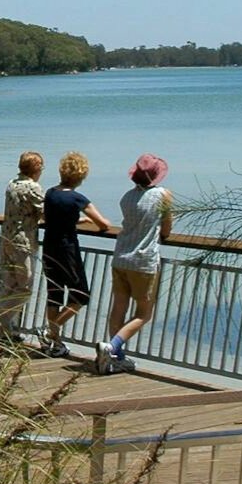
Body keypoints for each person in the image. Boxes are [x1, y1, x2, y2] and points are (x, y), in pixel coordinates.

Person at [97, 154, 172, 375]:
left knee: (118, 308)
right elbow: (166, 229)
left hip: (121, 257)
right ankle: (113, 347)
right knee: (143, 314)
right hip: (144, 261)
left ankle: (116, 359)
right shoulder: (163, 196)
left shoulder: (126, 198)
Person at [41, 151, 111, 357]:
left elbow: (50, 218)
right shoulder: (77, 199)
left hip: (49, 247)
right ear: (81, 176)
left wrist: (76, 221)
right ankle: (50, 333)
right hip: (67, 250)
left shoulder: (51, 193)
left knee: (54, 293)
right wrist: (96, 225)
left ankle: (54, 342)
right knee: (80, 295)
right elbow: (104, 224)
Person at [0, 151, 45, 343]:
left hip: (7, 239)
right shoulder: (32, 188)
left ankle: (5, 332)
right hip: (22, 242)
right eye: (41, 166)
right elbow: (46, 211)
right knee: (25, 287)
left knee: (9, 286)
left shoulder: (12, 184)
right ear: (36, 168)